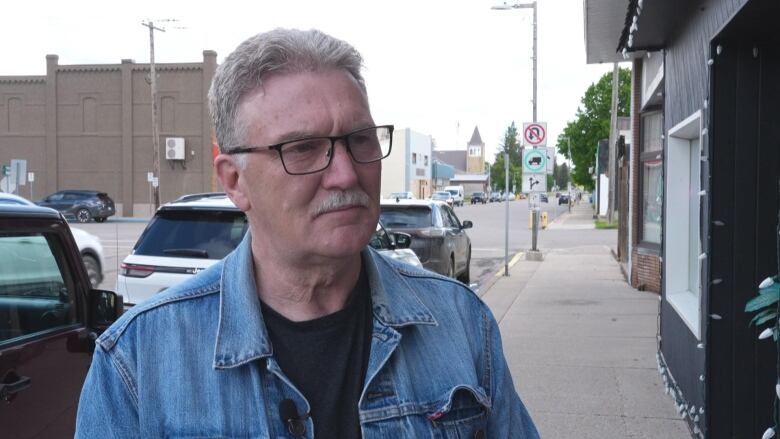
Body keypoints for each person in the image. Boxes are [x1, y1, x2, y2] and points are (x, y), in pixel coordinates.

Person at [76, 28, 539, 438]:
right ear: (234, 180)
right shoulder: (136, 362)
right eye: (302, 148)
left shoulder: (461, 325)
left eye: (360, 139)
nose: (345, 174)